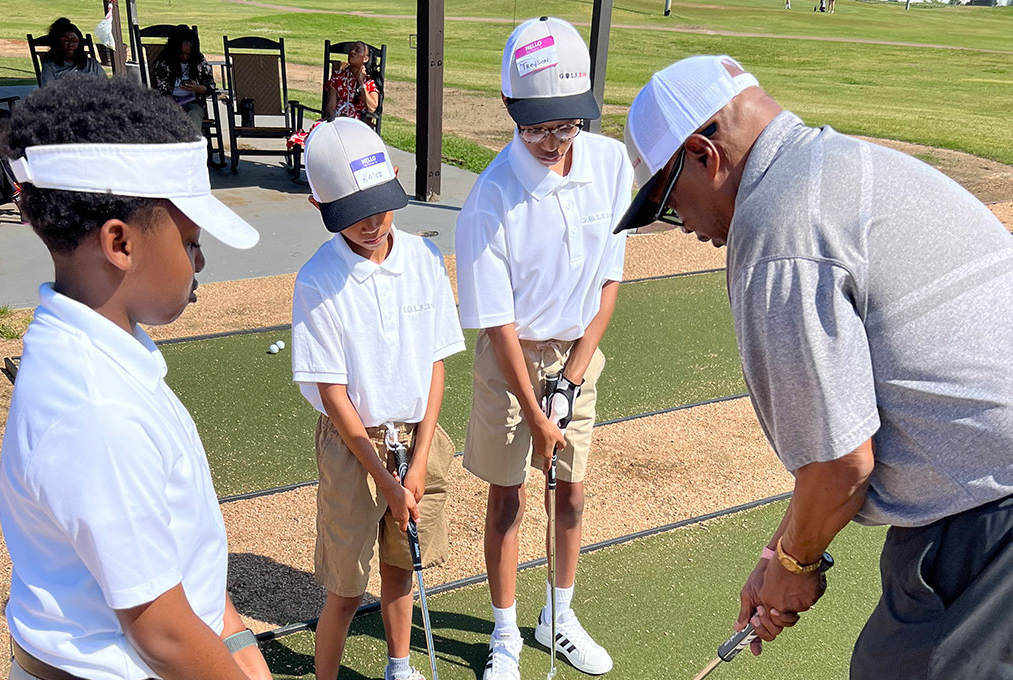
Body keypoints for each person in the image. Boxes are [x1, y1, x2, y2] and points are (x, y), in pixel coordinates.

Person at [614, 55, 1013, 679]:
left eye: (666, 202)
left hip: (990, 509)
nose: (682, 225)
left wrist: (795, 566)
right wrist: (780, 552)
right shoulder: (840, 163)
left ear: (703, 154)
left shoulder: (778, 233)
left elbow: (841, 465)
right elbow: (841, 438)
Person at [0, 74, 270, 680]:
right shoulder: (96, 409)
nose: (201, 260)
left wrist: (233, 633)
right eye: (191, 242)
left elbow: (177, 553)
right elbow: (162, 633)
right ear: (119, 243)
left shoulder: (104, 357)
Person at [454, 16, 632, 680]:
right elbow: (497, 323)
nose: (553, 142)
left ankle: (557, 616)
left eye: (566, 126)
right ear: (510, 109)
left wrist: (572, 379)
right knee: (509, 499)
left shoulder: (610, 164)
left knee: (571, 493)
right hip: (511, 361)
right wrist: (535, 409)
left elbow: (609, 281)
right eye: (536, 128)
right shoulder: (490, 199)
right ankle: (505, 634)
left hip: (577, 354)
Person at [291, 117, 464, 680]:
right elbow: (333, 394)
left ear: (393, 177)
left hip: (417, 434)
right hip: (354, 447)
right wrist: (386, 481)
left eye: (381, 205)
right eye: (352, 212)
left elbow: (436, 364)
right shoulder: (317, 279)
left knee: (400, 567)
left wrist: (417, 462)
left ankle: (399, 665)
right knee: (345, 588)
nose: (371, 222)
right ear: (319, 206)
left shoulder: (423, 259)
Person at [153, 24, 216, 131]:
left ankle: (192, 140)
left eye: (188, 54)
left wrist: (198, 88)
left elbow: (211, 86)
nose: (185, 57)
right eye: (181, 53)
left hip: (193, 102)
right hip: (171, 102)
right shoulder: (164, 61)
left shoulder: (199, 60)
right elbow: (160, 89)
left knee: (194, 114)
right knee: (172, 113)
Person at [38, 17, 107, 86]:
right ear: (58, 43)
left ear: (79, 44)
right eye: (65, 41)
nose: (70, 44)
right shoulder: (50, 67)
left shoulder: (92, 65)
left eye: (74, 41)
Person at [323, 41, 380, 122]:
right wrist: (334, 123)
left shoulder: (369, 82)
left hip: (358, 125)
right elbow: (330, 107)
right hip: (337, 121)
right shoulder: (338, 77)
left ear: (365, 59)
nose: (352, 52)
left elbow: (371, 108)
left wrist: (361, 82)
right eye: (351, 49)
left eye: (357, 50)